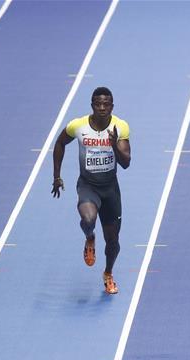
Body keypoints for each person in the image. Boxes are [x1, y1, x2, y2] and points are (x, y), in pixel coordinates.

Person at [52, 87, 131, 295]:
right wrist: (57, 176)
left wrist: (114, 145)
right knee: (88, 219)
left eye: (106, 104)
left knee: (113, 242)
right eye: (98, 104)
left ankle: (108, 273)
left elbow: (126, 163)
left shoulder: (120, 127)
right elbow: (60, 143)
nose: (102, 107)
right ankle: (90, 237)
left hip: (110, 189)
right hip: (88, 185)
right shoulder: (77, 125)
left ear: (112, 106)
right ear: (92, 105)